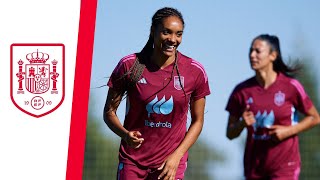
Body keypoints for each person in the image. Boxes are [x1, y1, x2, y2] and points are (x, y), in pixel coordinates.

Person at [103, 7, 210, 180]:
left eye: (178, 34)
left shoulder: (194, 71)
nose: (173, 39)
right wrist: (125, 135)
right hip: (132, 161)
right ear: (153, 31)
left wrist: (176, 158)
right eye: (166, 32)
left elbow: (198, 121)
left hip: (169, 164)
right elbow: (109, 112)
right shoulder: (130, 65)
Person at [225, 34, 320, 180]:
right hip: (254, 168)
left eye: (258, 51)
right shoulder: (241, 91)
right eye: (250, 50)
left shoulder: (291, 86)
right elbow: (230, 133)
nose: (252, 55)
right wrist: (241, 124)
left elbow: (314, 118)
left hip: (285, 167)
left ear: (273, 55)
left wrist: (288, 131)